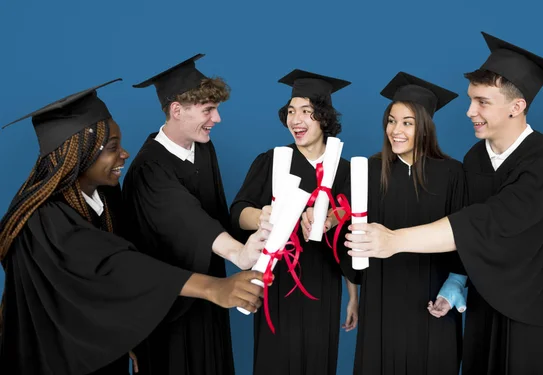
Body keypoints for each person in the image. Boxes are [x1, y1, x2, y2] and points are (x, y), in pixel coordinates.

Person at [346, 32, 543, 375]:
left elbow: (488, 222)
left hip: (537, 319)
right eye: (471, 100)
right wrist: (455, 283)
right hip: (484, 312)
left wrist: (394, 240)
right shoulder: (475, 160)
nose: (469, 111)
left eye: (482, 102)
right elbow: (467, 233)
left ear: (516, 107)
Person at [0, 79, 266, 375]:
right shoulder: (43, 219)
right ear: (79, 154)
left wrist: (126, 338)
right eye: (112, 148)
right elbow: (117, 267)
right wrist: (213, 287)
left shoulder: (105, 197)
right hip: (58, 359)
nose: (124, 154)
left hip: (102, 347)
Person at [122, 53, 268, 375]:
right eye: (208, 110)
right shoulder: (149, 167)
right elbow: (188, 218)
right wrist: (238, 254)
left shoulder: (203, 148)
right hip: (168, 306)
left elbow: (215, 211)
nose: (217, 119)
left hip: (211, 297)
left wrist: (258, 227)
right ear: (177, 110)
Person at [230, 69, 359, 375]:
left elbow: (352, 235)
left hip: (323, 283)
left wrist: (354, 296)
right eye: (291, 112)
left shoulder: (345, 171)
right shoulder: (272, 161)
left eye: (306, 112)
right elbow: (237, 212)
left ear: (324, 118)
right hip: (276, 281)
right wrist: (265, 215)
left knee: (318, 360)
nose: (295, 120)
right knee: (276, 360)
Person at [352, 72, 464, 375]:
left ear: (425, 129)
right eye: (391, 120)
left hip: (433, 295)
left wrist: (456, 283)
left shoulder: (453, 173)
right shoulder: (371, 170)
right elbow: (350, 235)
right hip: (381, 296)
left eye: (407, 123)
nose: (395, 130)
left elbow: (465, 236)